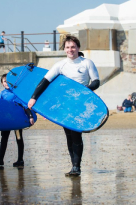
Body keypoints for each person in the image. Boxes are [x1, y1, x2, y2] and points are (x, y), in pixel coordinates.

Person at [28, 35, 100, 177]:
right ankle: (73, 165)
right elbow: (45, 81)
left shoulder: (87, 63)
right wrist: (33, 97)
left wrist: (85, 90)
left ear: (78, 48)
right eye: (67, 47)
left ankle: (76, 167)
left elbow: (96, 81)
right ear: (64, 49)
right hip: (65, 104)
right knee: (68, 135)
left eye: (73, 47)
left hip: (80, 103)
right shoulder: (60, 65)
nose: (70, 50)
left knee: (76, 133)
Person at [0, 74, 36, 168]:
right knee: (4, 138)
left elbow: (25, 106)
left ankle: (20, 160)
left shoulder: (17, 93)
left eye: (8, 81)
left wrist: (30, 116)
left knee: (19, 138)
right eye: (4, 81)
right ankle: (0, 159)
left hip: (17, 120)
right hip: (6, 120)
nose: (6, 83)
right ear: (2, 83)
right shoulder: (2, 94)